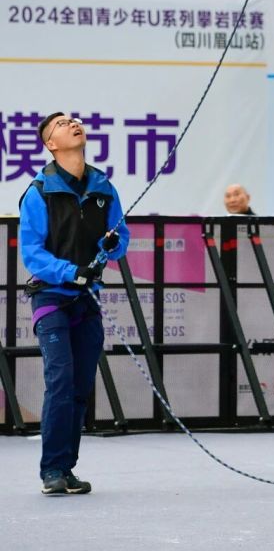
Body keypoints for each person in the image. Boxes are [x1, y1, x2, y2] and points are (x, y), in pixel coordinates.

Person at [18, 112, 130, 496]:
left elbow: (120, 238)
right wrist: (70, 272)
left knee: (81, 387)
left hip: (87, 300)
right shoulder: (39, 192)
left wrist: (112, 245)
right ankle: (51, 469)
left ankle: (66, 468)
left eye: (74, 120)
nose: (73, 123)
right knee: (61, 381)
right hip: (51, 298)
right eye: (62, 123)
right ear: (51, 144)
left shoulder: (103, 187)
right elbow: (32, 254)